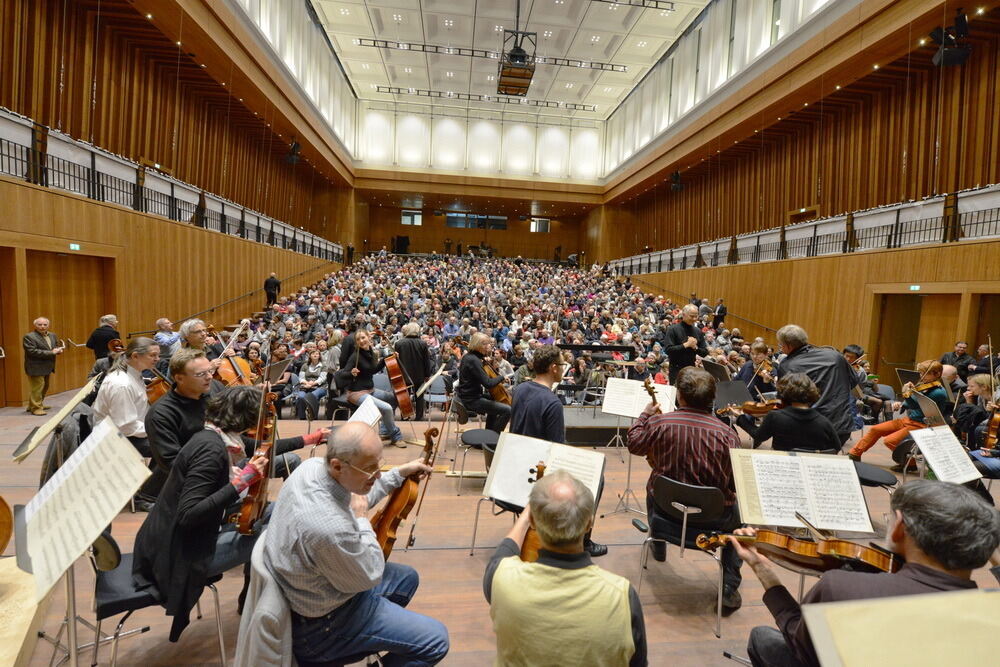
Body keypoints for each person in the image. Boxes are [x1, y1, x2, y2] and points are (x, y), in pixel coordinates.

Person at [732, 479, 1000, 667]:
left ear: (899, 529)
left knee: (763, 637)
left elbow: (799, 644)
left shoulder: (842, 587)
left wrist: (763, 570)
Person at [263, 422, 449, 666]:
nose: (378, 474)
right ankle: (343, 643)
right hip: (322, 627)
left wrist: (399, 473)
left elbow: (358, 494)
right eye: (371, 469)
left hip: (314, 593)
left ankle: (371, 634)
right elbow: (370, 574)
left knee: (406, 578)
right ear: (338, 466)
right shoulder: (329, 528)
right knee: (436, 641)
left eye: (379, 464)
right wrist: (361, 520)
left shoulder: (311, 468)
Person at [133, 386, 276, 642]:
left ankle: (251, 597)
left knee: (274, 511)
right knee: (277, 534)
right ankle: (265, 608)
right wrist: (242, 481)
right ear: (247, 419)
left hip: (170, 541)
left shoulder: (209, 437)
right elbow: (189, 514)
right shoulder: (211, 451)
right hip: (178, 557)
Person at [483, 471, 646, 666]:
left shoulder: (501, 579)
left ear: (534, 522)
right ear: (589, 524)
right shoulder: (622, 595)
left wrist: (526, 517)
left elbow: (503, 553)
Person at [626, 366, 743, 610]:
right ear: (713, 399)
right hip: (713, 522)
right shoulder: (728, 435)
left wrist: (644, 416)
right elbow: (735, 483)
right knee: (740, 514)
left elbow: (635, 445)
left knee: (654, 485)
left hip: (666, 512)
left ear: (680, 396)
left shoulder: (660, 423)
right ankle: (729, 587)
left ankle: (658, 538)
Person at [142, 348, 321, 500]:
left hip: (231, 465)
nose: (209, 377)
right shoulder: (161, 414)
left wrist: (308, 439)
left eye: (210, 371)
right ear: (179, 378)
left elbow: (242, 441)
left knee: (291, 460)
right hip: (201, 484)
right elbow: (173, 466)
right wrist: (239, 478)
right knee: (258, 510)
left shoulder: (213, 390)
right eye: (201, 374)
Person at [510, 344, 607, 557]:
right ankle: (583, 541)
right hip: (540, 472)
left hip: (516, 467)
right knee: (597, 478)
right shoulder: (552, 402)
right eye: (562, 364)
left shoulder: (519, 390)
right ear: (554, 368)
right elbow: (557, 451)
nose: (564, 368)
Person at [848, 360, 948, 463]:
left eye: (924, 373)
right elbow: (912, 401)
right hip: (909, 420)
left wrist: (905, 394)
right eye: (921, 372)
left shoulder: (938, 392)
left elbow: (914, 404)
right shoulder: (925, 385)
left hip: (921, 424)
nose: (921, 376)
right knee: (875, 429)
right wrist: (902, 404)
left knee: (890, 441)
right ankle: (854, 454)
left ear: (937, 374)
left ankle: (909, 464)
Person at [774, 324, 858, 445]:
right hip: (841, 427)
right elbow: (853, 382)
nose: (780, 348)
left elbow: (785, 399)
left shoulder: (787, 365)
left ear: (789, 346)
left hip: (810, 428)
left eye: (781, 345)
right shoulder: (835, 356)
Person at [92, 337, 161, 458]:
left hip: (128, 432)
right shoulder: (122, 384)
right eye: (153, 355)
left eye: (158, 355)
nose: (157, 359)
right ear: (135, 356)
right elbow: (126, 426)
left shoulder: (133, 374)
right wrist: (160, 430)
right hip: (117, 439)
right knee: (172, 449)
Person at [736, 373, 841, 451]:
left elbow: (758, 436)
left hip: (782, 466)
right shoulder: (823, 421)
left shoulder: (775, 417)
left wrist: (741, 418)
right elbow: (836, 447)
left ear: (783, 392)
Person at [337, 329, 404, 446]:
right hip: (356, 393)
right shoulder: (355, 356)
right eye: (358, 339)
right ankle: (395, 436)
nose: (361, 341)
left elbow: (373, 370)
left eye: (363, 338)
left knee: (394, 399)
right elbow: (342, 374)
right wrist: (351, 373)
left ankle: (384, 430)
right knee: (387, 408)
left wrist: (388, 358)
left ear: (369, 337)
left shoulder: (371, 353)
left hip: (369, 390)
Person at [457, 332, 511, 433]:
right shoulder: (473, 360)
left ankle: (489, 434)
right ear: (479, 345)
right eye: (486, 343)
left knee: (495, 399)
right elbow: (488, 383)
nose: (489, 345)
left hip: (470, 395)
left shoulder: (471, 357)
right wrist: (502, 377)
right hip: (471, 400)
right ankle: (493, 439)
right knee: (507, 410)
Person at [22, 316, 64, 415]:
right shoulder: (29, 337)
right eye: (39, 324)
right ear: (35, 325)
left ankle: (35, 404)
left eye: (45, 324)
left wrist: (58, 350)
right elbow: (32, 351)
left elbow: (54, 347)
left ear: (48, 325)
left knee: (45, 386)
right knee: (37, 387)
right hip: (35, 366)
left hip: (47, 366)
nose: (42, 327)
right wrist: (51, 352)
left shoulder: (52, 335)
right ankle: (36, 408)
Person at [394, 322, 433, 421]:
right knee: (419, 396)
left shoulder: (399, 343)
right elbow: (426, 361)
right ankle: (419, 417)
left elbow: (396, 361)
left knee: (404, 396)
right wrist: (427, 374)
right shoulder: (422, 343)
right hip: (419, 375)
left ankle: (405, 416)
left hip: (404, 374)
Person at [661, 304, 708, 385]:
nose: (694, 319)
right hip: (676, 369)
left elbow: (705, 352)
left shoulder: (698, 331)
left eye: (696, 316)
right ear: (683, 315)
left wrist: (695, 347)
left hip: (691, 369)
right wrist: (686, 345)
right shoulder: (672, 329)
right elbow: (668, 350)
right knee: (677, 395)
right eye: (691, 316)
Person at [292, 348, 327, 420]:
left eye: (317, 354)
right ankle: (302, 417)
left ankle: (313, 416)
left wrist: (312, 384)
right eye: (313, 353)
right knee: (301, 397)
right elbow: (301, 378)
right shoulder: (305, 365)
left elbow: (322, 378)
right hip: (305, 386)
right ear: (310, 356)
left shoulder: (323, 366)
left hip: (319, 386)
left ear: (319, 356)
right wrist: (307, 383)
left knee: (312, 396)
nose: (315, 355)